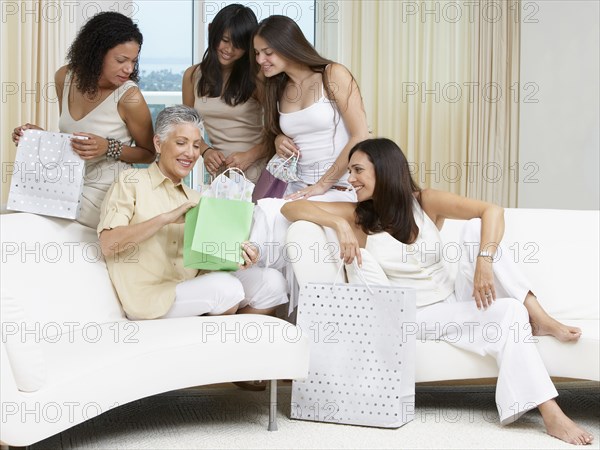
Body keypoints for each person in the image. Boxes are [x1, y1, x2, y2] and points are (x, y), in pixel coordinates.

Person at [281, 137, 594, 445]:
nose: (351, 179)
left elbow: (493, 211)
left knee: (476, 228)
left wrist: (484, 260)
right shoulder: (358, 215)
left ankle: (538, 315)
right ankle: (550, 412)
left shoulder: (424, 202)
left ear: (385, 170)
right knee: (510, 312)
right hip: (415, 315)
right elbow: (292, 210)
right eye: (350, 171)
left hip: (455, 297)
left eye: (358, 170)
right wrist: (340, 225)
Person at [97, 105, 288, 321]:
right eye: (181, 143)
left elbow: (206, 262)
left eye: (196, 146)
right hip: (150, 296)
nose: (190, 153)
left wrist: (237, 257)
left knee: (273, 283)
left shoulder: (197, 198)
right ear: (158, 144)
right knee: (227, 289)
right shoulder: (130, 182)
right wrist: (165, 219)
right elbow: (108, 244)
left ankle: (232, 342)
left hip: (192, 285)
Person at [12, 11, 155, 229]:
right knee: (16, 214)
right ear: (97, 53)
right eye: (121, 60)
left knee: (37, 223)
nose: (129, 69)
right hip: (66, 180)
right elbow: (70, 138)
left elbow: (150, 153)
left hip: (107, 186)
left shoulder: (130, 97)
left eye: (133, 61)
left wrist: (108, 147)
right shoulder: (64, 77)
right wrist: (38, 136)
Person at [253, 15, 371, 202]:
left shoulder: (332, 75)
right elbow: (292, 131)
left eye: (267, 52)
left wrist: (322, 185)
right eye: (257, 53)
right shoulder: (277, 88)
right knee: (262, 222)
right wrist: (279, 138)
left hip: (337, 187)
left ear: (287, 47)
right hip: (295, 188)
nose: (260, 60)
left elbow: (361, 135)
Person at [182, 4, 269, 184]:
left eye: (238, 45)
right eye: (224, 40)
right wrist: (206, 151)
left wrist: (250, 156)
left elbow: (279, 131)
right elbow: (187, 128)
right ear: (211, 31)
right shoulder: (192, 76)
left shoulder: (257, 77)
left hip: (258, 170)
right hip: (222, 173)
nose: (229, 49)